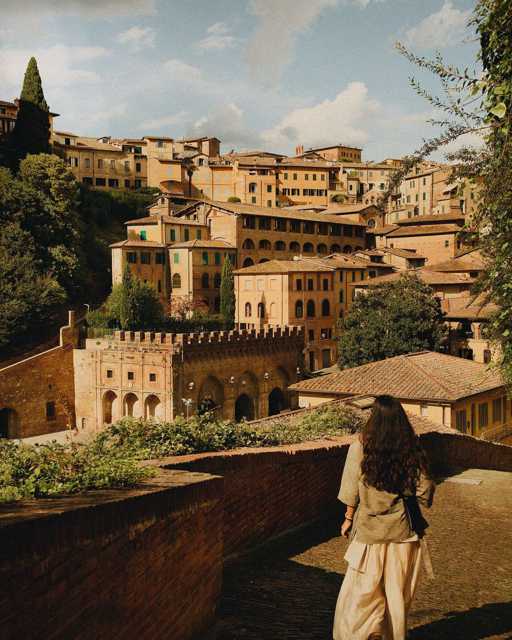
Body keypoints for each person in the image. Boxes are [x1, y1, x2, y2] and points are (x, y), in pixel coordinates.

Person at [332, 395, 435, 640]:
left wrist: (348, 518)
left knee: (362, 595)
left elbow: (350, 490)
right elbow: (426, 491)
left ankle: (363, 634)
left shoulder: (359, 447)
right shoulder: (412, 448)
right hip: (403, 535)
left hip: (369, 533)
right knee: (395, 595)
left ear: (374, 418)